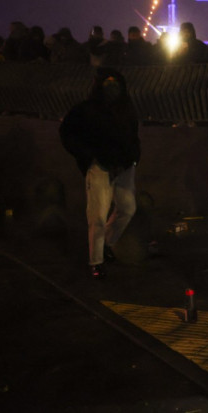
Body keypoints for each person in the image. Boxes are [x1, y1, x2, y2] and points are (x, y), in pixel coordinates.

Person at [59, 68, 141, 280]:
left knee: (128, 208)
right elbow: (68, 133)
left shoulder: (126, 108)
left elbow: (134, 134)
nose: (112, 87)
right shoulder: (87, 109)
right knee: (97, 215)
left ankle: (106, 242)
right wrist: (87, 156)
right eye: (108, 83)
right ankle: (96, 261)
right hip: (100, 166)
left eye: (115, 82)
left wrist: (133, 157)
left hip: (123, 166)